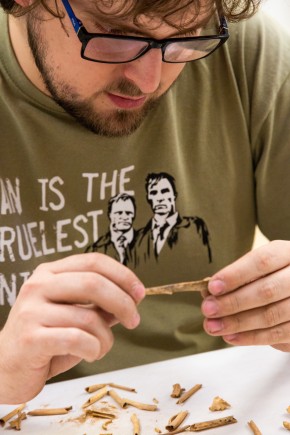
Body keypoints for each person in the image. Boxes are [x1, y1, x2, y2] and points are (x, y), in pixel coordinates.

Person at [1, 0, 290, 405]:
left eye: (184, 39)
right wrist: (4, 371)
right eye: (116, 37)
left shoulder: (243, 51)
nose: (149, 81)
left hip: (210, 405)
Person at [86, 193, 137, 265]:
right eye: (119, 213)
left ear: (134, 214)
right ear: (110, 215)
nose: (124, 217)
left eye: (128, 213)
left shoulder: (146, 242)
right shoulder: (95, 249)